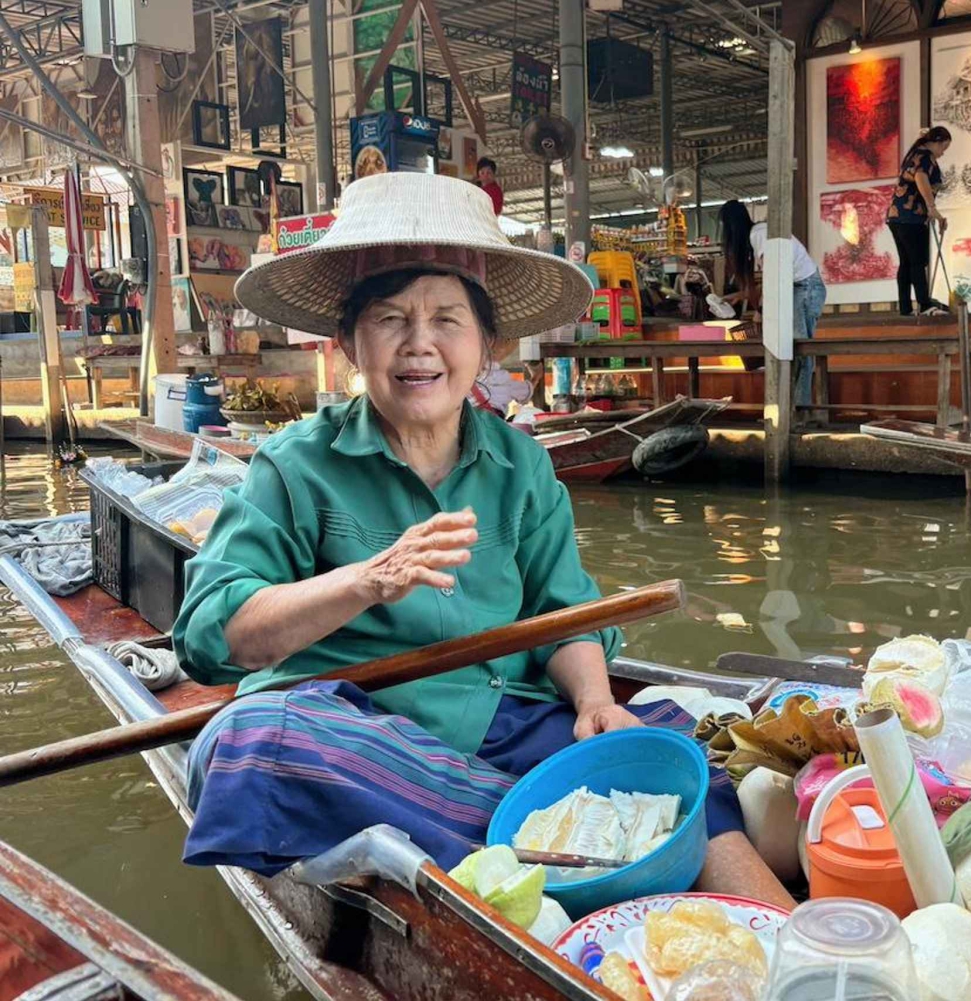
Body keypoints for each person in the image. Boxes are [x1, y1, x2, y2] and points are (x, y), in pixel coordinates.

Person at [175, 172, 791, 909]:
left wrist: (595, 702)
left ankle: (784, 936)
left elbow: (565, 614)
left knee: (668, 750)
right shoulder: (293, 464)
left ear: (487, 344)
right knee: (253, 743)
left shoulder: (521, 464)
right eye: (390, 318)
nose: (419, 344)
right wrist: (364, 581)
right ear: (348, 343)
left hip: (501, 721)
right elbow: (212, 637)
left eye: (447, 319)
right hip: (357, 735)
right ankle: (572, 836)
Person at [718, 199, 826, 408]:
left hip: (804, 289)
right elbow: (776, 276)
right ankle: (795, 407)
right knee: (797, 349)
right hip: (803, 288)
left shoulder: (759, 235)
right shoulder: (760, 233)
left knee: (800, 350)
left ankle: (799, 409)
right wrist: (743, 295)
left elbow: (773, 278)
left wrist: (760, 310)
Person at [887, 126, 953, 317]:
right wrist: (932, 208)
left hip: (897, 216)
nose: (942, 153)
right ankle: (924, 305)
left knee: (906, 262)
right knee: (917, 261)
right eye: (943, 148)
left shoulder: (914, 154)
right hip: (911, 217)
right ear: (936, 142)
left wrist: (932, 212)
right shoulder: (925, 156)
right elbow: (921, 178)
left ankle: (906, 308)